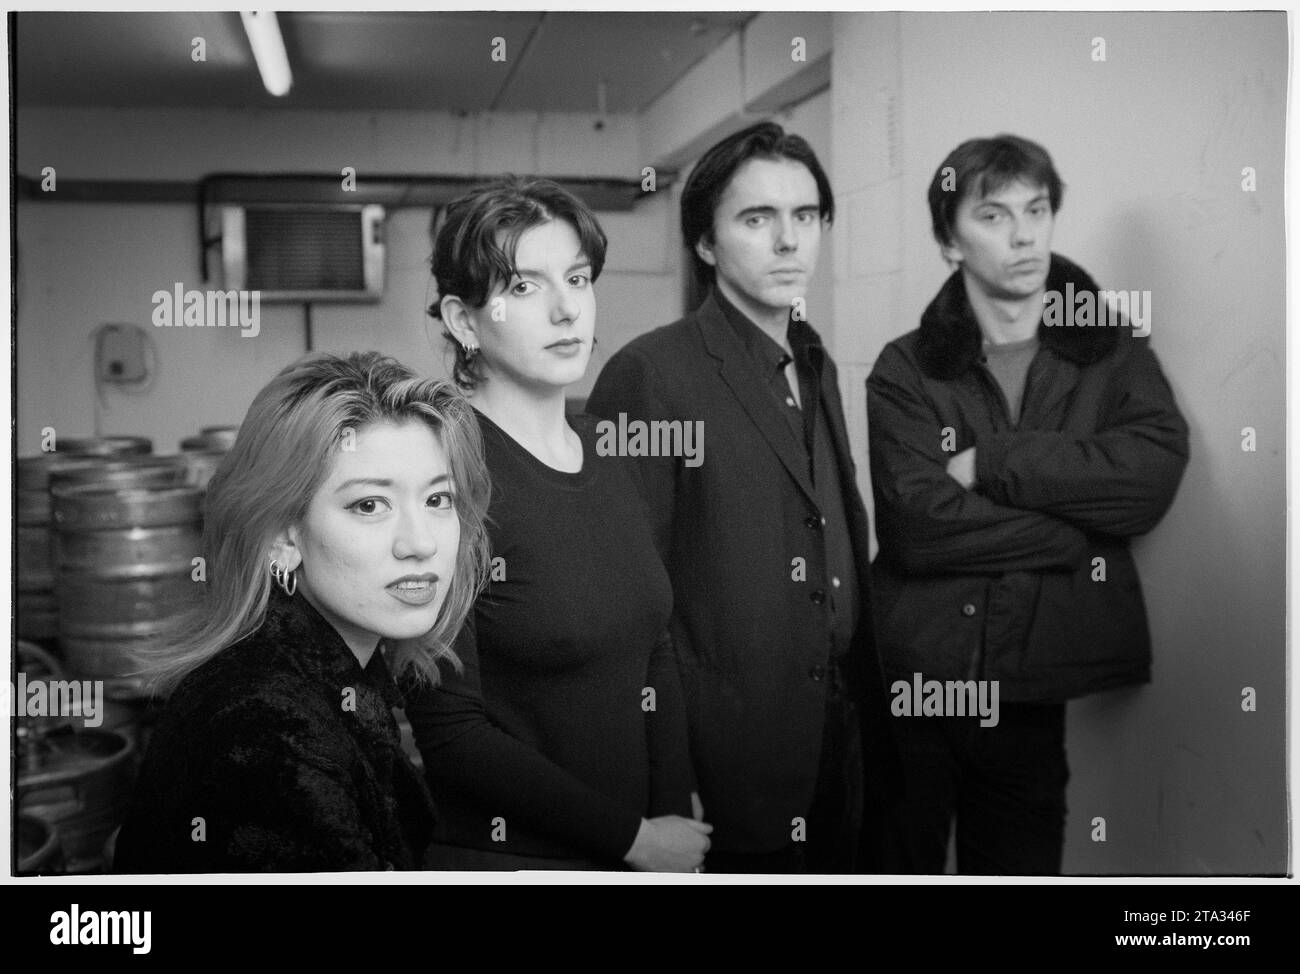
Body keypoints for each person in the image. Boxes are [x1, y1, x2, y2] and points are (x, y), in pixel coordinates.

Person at [866, 134, 1189, 874]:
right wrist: (1070, 537)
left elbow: (1149, 479)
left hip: (1031, 688)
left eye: (1037, 210)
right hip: (915, 676)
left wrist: (996, 462)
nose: (1024, 235)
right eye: (994, 214)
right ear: (951, 242)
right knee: (890, 866)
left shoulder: (1111, 353)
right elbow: (916, 527)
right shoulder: (906, 367)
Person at [587, 122, 900, 873]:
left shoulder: (815, 360)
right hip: (722, 759)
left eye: (805, 217)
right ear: (705, 243)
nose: (788, 240)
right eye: (757, 219)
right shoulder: (651, 375)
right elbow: (630, 595)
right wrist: (665, 780)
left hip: (837, 738)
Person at [406, 176, 710, 872]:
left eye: (577, 277)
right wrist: (632, 839)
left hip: (636, 852)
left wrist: (670, 811)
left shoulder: (608, 445)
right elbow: (451, 732)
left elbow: (653, 642)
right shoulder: (445, 473)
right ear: (462, 320)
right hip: (514, 861)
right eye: (523, 287)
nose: (567, 308)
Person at [113, 351, 491, 872]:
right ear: (282, 537)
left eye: (437, 499)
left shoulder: (321, 675)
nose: (420, 543)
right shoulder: (263, 733)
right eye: (369, 505)